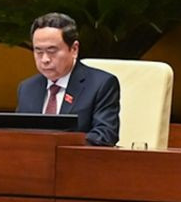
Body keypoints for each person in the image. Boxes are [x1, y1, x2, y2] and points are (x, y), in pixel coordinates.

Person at [15, 13, 120, 147]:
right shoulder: (27, 88)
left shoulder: (101, 84)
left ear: (74, 49)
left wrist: (56, 146)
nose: (45, 59)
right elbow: (17, 134)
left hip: (80, 163)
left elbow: (105, 134)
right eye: (39, 52)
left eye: (52, 51)